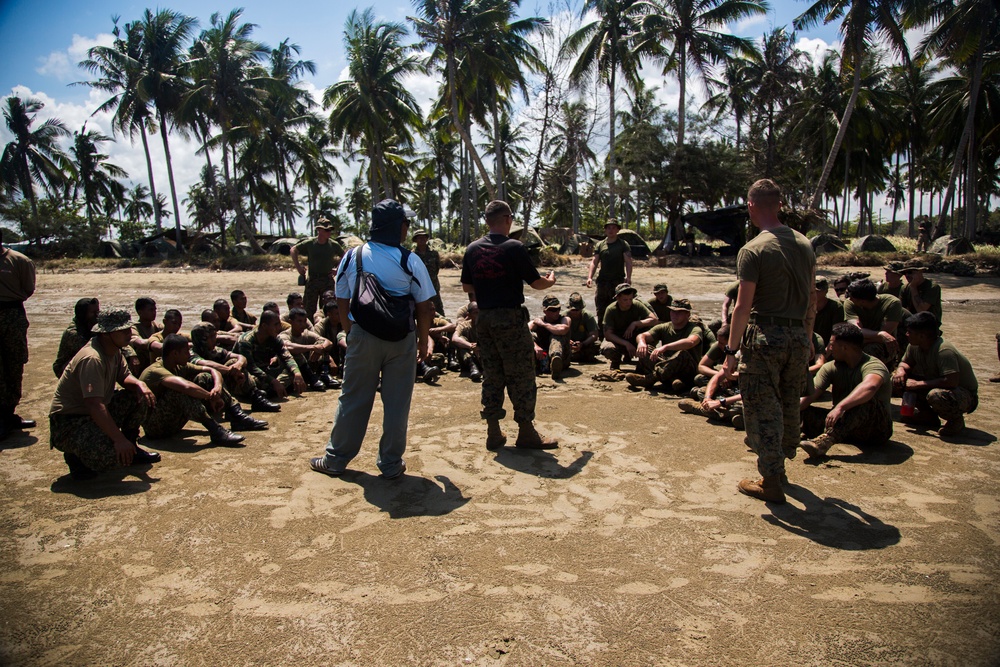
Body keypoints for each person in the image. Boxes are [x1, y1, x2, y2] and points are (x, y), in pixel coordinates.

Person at [310, 199, 436, 479]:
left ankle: (335, 459)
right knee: (396, 403)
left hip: (363, 335)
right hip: (402, 339)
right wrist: (422, 340)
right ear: (397, 227)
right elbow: (424, 306)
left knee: (353, 398)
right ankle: (390, 464)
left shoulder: (353, 256)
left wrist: (348, 329)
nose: (408, 228)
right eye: (406, 223)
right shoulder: (409, 260)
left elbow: (342, 295)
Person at [724, 179, 815, 504]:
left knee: (762, 409)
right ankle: (781, 462)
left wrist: (731, 351)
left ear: (751, 207)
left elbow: (742, 306)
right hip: (797, 336)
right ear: (779, 204)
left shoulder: (753, 249)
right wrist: (807, 336)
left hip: (764, 337)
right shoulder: (804, 243)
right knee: (789, 402)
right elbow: (811, 299)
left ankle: (771, 480)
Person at [461, 199, 558, 451]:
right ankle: (526, 432)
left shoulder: (472, 249)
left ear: (486, 221)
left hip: (484, 319)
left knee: (492, 374)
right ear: (507, 219)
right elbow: (536, 283)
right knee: (522, 374)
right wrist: (550, 281)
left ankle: (493, 432)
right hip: (510, 319)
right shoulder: (514, 247)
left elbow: (467, 287)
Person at [48, 309, 158, 480]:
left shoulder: (114, 349)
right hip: (70, 422)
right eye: (123, 331)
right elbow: (94, 404)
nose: (129, 334)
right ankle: (75, 456)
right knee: (112, 459)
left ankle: (132, 447)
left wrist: (139, 384)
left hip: (93, 413)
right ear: (106, 334)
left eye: (129, 329)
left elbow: (124, 376)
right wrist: (118, 439)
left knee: (138, 397)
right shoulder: (92, 358)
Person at [139, 334, 261, 445]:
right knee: (179, 391)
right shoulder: (155, 371)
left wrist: (217, 388)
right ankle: (215, 430)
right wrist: (210, 396)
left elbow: (212, 370)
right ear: (175, 354)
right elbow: (186, 386)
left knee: (206, 378)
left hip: (171, 422)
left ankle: (236, 414)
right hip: (155, 427)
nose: (189, 355)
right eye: (186, 352)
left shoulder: (178, 365)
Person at [798, 323, 893, 459]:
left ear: (844, 347)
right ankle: (789, 433)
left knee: (864, 401)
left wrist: (841, 407)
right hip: (844, 425)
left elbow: (870, 387)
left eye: (832, 344)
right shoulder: (831, 367)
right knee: (803, 411)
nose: (829, 348)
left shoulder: (873, 365)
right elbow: (810, 395)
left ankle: (823, 442)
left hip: (875, 429)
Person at [893, 312, 978, 436]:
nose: (906, 334)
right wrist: (900, 371)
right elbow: (906, 363)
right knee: (897, 381)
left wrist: (917, 384)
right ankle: (927, 416)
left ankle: (955, 420)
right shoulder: (914, 346)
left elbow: (951, 381)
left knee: (936, 395)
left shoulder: (944, 351)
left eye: (910, 332)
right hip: (937, 384)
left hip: (963, 394)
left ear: (922, 336)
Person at [0, 230, 36, 440]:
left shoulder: (19, 261)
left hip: (12, 314)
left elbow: (28, 288)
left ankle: (8, 413)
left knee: (15, 363)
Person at [627, 298, 703, 391]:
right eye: (672, 311)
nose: (675, 315)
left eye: (679, 312)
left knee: (682, 353)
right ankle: (673, 381)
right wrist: (641, 343)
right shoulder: (665, 327)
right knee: (646, 349)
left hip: (687, 369)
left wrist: (666, 347)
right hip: (666, 367)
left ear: (687, 314)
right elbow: (642, 335)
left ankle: (650, 379)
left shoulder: (694, 328)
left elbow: (690, 342)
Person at [234, 310, 307, 399]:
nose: (279, 328)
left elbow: (287, 357)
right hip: (248, 374)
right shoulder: (246, 341)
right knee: (249, 380)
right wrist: (273, 381)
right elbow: (251, 367)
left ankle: (270, 391)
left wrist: (297, 374)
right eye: (275, 325)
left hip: (265, 373)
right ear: (264, 326)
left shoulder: (274, 339)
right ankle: (266, 391)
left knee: (295, 364)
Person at [844, 278, 905, 367]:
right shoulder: (850, 303)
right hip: (859, 341)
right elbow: (856, 330)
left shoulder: (892, 303)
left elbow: (886, 337)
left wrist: (863, 338)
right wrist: (880, 333)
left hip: (885, 345)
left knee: (870, 351)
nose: (850, 299)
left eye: (852, 297)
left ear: (862, 301)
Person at [291, 218, 343, 321]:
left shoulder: (333, 245)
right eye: (326, 230)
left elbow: (345, 256)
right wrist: (298, 267)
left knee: (328, 308)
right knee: (309, 309)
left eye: (330, 230)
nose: (329, 232)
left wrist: (338, 269)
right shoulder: (310, 243)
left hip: (327, 279)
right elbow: (293, 250)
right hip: (313, 279)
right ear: (319, 230)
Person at [586, 219, 632, 331]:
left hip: (617, 282)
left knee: (618, 307)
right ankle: (602, 333)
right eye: (609, 228)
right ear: (605, 230)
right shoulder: (600, 245)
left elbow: (628, 261)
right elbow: (594, 261)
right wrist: (589, 277)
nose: (611, 230)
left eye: (614, 227)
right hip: (603, 282)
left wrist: (629, 277)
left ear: (617, 230)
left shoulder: (623, 244)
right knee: (601, 308)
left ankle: (616, 332)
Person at [600, 283, 658, 370]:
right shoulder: (611, 310)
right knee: (608, 349)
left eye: (630, 299)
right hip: (619, 340)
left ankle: (642, 364)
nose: (629, 302)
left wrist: (635, 323)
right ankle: (616, 362)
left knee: (650, 343)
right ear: (617, 298)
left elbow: (654, 320)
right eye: (625, 300)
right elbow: (608, 334)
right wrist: (626, 343)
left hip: (636, 338)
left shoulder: (637, 305)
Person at [278, 307, 336, 390]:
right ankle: (311, 378)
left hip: (307, 368)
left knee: (321, 345)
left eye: (304, 321)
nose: (303, 324)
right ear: (291, 322)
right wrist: (312, 347)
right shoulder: (284, 335)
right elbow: (288, 346)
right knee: (296, 353)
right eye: (299, 321)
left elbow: (328, 342)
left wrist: (320, 349)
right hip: (289, 370)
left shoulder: (306, 334)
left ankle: (324, 375)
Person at [53, 297, 100, 378]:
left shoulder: (93, 323)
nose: (97, 315)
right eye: (93, 312)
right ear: (84, 314)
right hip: (66, 368)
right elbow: (92, 350)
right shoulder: (73, 333)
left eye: (98, 311)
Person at [529, 295, 571, 379]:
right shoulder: (538, 321)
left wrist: (544, 324)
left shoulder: (565, 319)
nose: (556, 312)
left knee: (556, 335)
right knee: (531, 336)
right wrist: (535, 346)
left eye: (558, 309)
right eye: (553, 310)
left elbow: (562, 329)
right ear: (545, 311)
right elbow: (525, 331)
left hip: (562, 356)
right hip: (542, 354)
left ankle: (555, 363)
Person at [412, 228, 445, 316]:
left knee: (439, 311)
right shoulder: (412, 255)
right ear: (415, 240)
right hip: (419, 288)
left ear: (427, 239)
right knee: (419, 312)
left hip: (433, 287)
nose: (422, 239)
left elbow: (437, 269)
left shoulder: (434, 254)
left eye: (424, 237)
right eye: (419, 237)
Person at [900, 259, 943, 323]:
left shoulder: (932, 287)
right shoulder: (905, 288)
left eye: (910, 272)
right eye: (905, 273)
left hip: (929, 326)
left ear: (921, 271)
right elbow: (901, 309)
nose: (907, 275)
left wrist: (913, 287)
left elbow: (921, 310)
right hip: (911, 324)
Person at [129, 297, 162, 374]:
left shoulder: (156, 326)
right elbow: (140, 343)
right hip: (140, 366)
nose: (154, 312)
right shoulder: (134, 328)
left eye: (155, 310)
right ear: (140, 312)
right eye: (151, 310)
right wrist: (163, 345)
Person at [451, 302, 482, 382]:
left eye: (479, 312)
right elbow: (455, 338)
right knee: (461, 339)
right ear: (469, 315)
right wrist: (470, 346)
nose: (478, 315)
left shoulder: (485, 325)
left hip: (482, 354)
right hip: (467, 357)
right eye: (475, 313)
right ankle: (473, 366)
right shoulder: (464, 325)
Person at [566, 292, 600, 364]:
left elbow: (594, 335)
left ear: (581, 308)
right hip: (568, 343)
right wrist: (568, 341)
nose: (575, 312)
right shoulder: (564, 316)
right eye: (573, 310)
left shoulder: (587, 316)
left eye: (577, 310)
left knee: (597, 345)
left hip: (584, 343)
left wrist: (582, 344)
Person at [813, 277, 845, 347]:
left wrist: (826, 353)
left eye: (818, 291)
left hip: (829, 346)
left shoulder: (835, 307)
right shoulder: (806, 307)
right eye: (812, 291)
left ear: (826, 291)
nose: (814, 293)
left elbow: (836, 334)